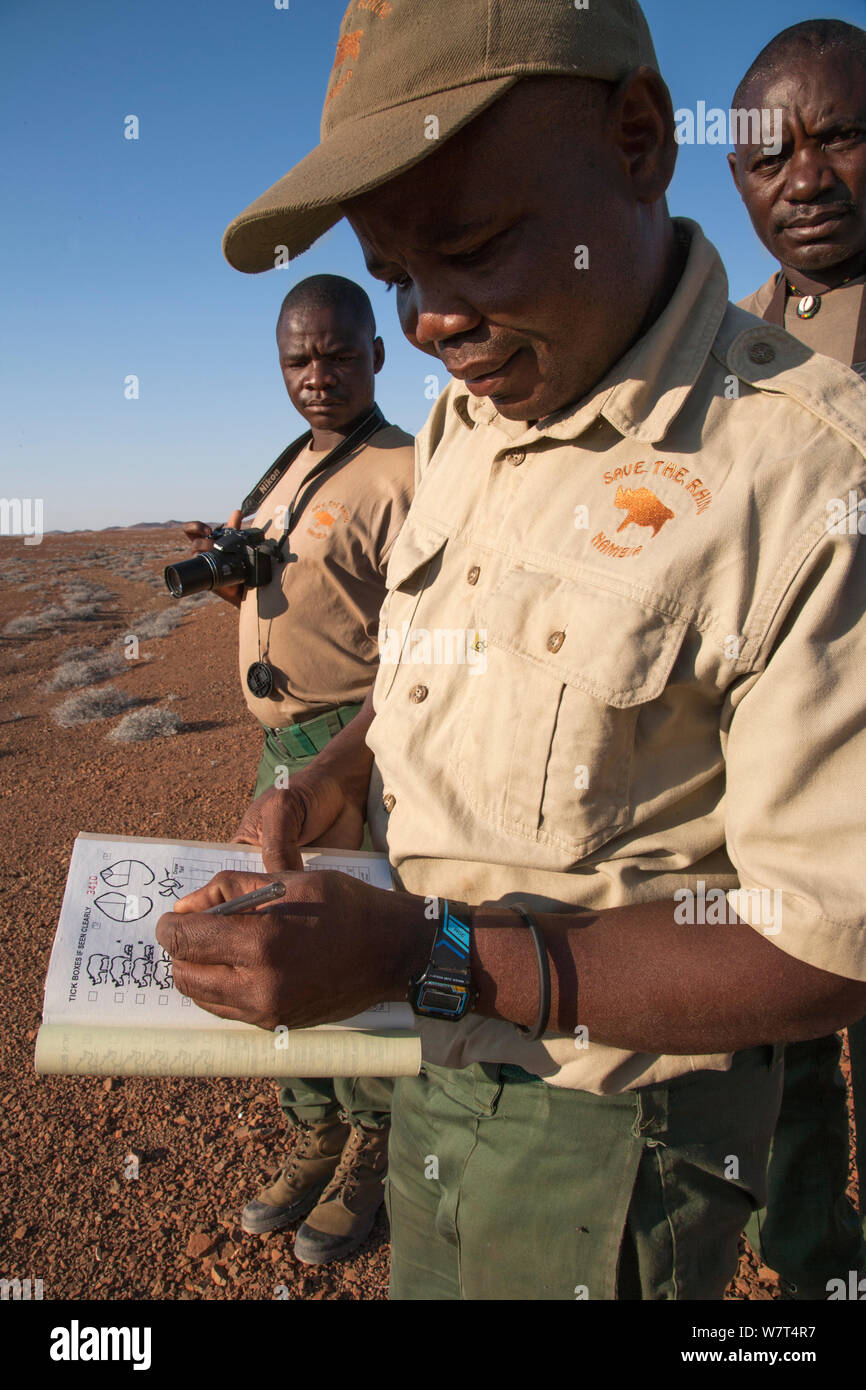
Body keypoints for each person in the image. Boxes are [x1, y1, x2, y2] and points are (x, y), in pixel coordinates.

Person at [158, 0, 866, 1300]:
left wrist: (419, 954)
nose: (429, 320)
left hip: (609, 1125)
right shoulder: (465, 419)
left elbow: (818, 942)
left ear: (640, 141)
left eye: (473, 248)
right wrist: (338, 771)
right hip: (427, 1054)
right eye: (395, 278)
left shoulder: (806, 474)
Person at [182, 275, 415, 1266]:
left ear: (375, 353)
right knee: (269, 929)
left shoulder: (406, 471)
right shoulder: (286, 470)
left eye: (335, 354)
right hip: (276, 747)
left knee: (343, 946)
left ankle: (373, 1145)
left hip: (351, 750)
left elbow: (417, 651)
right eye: (296, 360)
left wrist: (339, 765)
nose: (315, 377)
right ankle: (313, 1131)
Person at [728, 18, 866, 1299]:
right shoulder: (729, 358)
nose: (804, 178)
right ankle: (817, 1272)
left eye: (841, 138)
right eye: (770, 154)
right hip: (778, 812)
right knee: (784, 1074)